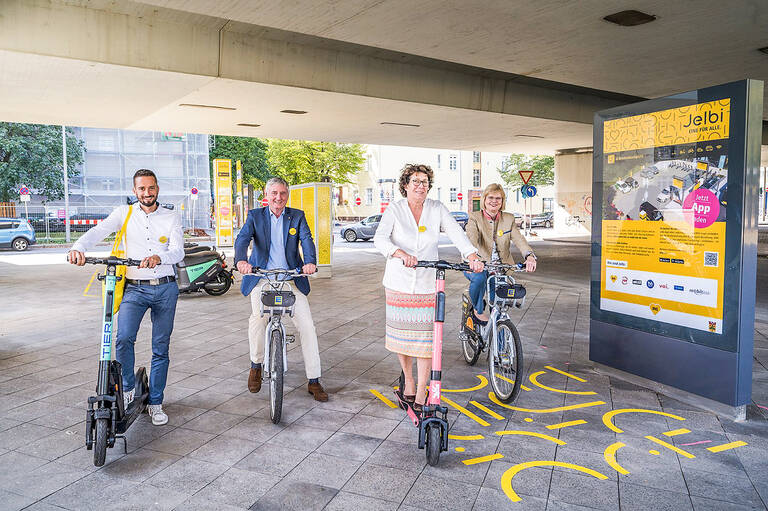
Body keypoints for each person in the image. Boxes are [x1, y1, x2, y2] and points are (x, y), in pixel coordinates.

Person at [68, 169, 183, 426]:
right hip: (134, 288)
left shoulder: (171, 216)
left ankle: (155, 402)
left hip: (165, 288)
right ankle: (129, 386)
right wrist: (78, 247)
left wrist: (158, 258)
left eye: (151, 188)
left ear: (157, 188)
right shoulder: (124, 213)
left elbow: (177, 252)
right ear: (135, 191)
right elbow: (98, 231)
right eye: (141, 189)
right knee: (122, 338)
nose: (147, 193)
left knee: (160, 348)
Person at [374, 164, 483, 413]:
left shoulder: (436, 209)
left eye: (425, 182)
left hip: (426, 283)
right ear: (405, 185)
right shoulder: (395, 209)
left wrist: (472, 255)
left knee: (426, 340)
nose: (421, 186)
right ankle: (408, 381)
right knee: (402, 338)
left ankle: (422, 388)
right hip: (399, 282)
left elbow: (457, 233)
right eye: (415, 181)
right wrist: (399, 253)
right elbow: (380, 238)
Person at [235, 177, 328, 402]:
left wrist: (310, 262)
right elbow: (242, 239)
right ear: (267, 195)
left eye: (283, 193)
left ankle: (314, 380)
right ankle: (256, 365)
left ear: (287, 195)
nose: (279, 198)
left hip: (290, 278)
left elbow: (307, 239)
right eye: (274, 193)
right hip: (262, 277)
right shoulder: (255, 216)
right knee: (258, 320)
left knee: (307, 326)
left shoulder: (296, 216)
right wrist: (241, 261)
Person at [465, 183, 536, 323]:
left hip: (501, 268)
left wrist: (530, 256)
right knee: (479, 278)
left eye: (498, 198)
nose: (494, 201)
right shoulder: (475, 217)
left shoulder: (508, 218)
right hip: (477, 264)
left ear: (502, 201)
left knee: (498, 308)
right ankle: (477, 310)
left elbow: (519, 239)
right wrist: (472, 257)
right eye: (490, 197)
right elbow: (471, 238)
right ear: (484, 199)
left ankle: (500, 340)